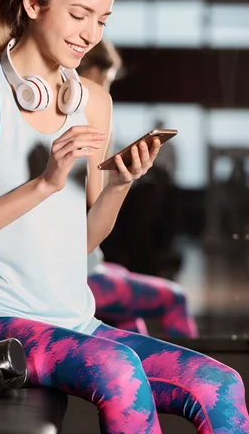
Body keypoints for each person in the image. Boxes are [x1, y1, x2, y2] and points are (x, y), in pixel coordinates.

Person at [0, 0, 249, 434]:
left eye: (101, 20)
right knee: (117, 370)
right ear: (33, 2)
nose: (90, 34)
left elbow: (82, 241)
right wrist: (44, 184)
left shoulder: (93, 102)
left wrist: (119, 184)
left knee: (222, 385)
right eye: (79, 14)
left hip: (74, 322)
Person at [78, 40, 197, 338]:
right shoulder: (91, 120)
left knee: (130, 321)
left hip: (87, 265)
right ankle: (186, 374)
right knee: (176, 299)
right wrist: (121, 177)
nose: (108, 90)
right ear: (94, 72)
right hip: (82, 274)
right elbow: (96, 198)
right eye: (108, 81)